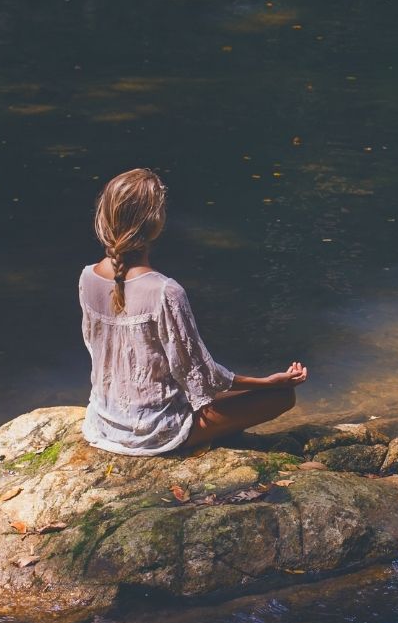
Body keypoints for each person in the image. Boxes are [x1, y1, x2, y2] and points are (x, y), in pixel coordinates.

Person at [80, 167, 307, 455]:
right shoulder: (165, 291)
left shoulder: (87, 277)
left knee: (220, 392)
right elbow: (202, 375)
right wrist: (267, 382)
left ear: (104, 217)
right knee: (281, 397)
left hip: (105, 422)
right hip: (155, 431)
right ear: (156, 223)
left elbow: (98, 349)